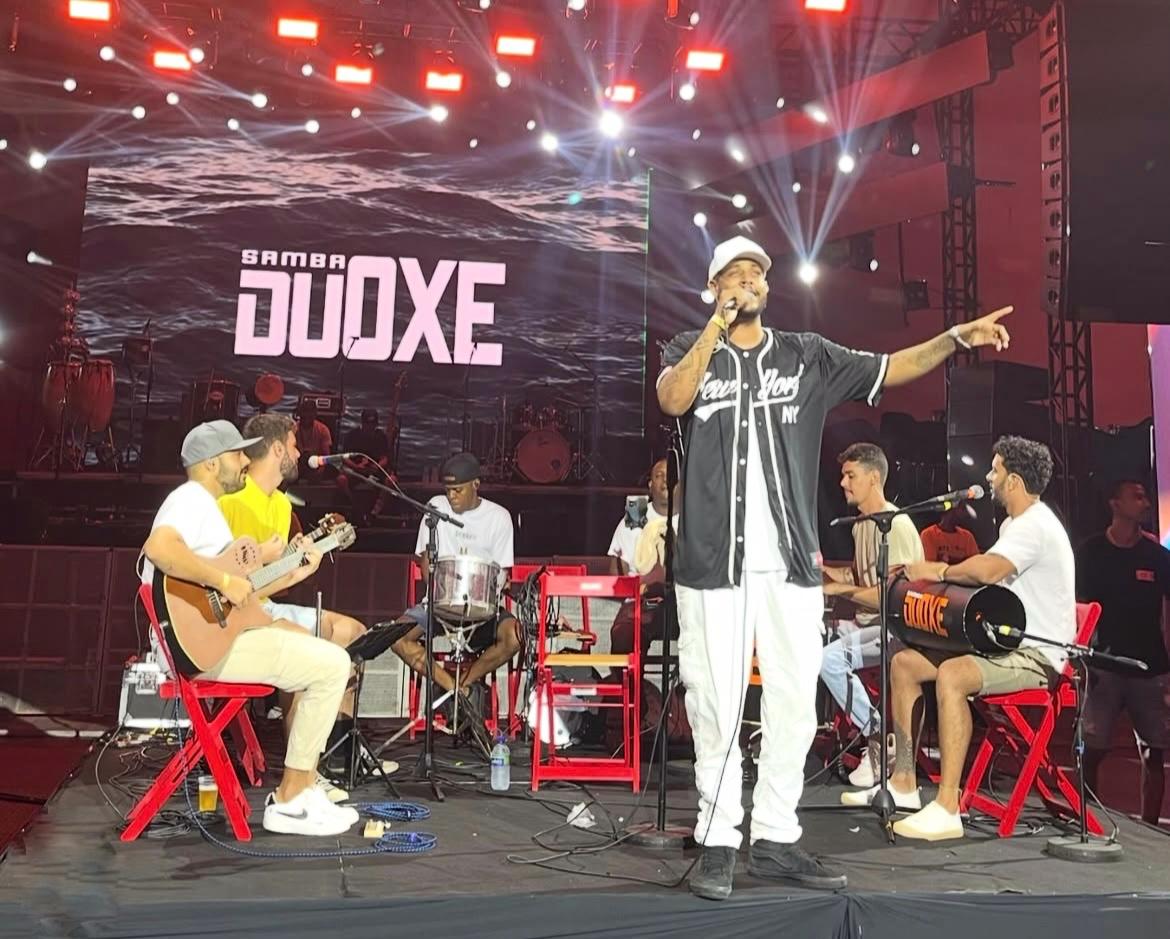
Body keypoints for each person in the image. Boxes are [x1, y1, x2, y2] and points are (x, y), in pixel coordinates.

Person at [656, 234, 1012, 899]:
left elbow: (890, 366)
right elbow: (673, 400)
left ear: (769, 287)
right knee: (715, 702)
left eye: (756, 273)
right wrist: (714, 327)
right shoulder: (688, 348)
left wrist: (953, 339)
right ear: (713, 289)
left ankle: (774, 837)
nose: (747, 281)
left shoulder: (806, 355)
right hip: (711, 561)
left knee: (794, 702)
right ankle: (717, 839)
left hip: (790, 562)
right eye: (733, 274)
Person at [139, 421, 358, 837]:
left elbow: (237, 594)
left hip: (216, 639)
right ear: (211, 463)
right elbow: (159, 548)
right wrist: (225, 581)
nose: (245, 460)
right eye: (237, 454)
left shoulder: (206, 509)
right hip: (201, 649)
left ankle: (303, 788)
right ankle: (292, 798)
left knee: (318, 653)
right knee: (332, 664)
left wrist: (294, 572)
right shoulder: (190, 499)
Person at [858, 437, 1076, 842]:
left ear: (1013, 481)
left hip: (1036, 655)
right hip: (1005, 647)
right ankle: (903, 781)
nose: (989, 478)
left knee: (953, 675)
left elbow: (987, 571)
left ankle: (947, 807)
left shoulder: (1036, 525)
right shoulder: (1014, 525)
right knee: (904, 664)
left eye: (995, 470)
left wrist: (937, 571)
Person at [218, 413, 369, 785]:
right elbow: (229, 587)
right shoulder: (230, 501)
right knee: (312, 653)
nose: (300, 453)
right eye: (293, 445)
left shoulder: (282, 506)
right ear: (276, 449)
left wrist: (299, 566)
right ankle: (302, 776)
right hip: (232, 618)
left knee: (351, 632)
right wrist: (284, 570)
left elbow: (267, 582)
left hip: (263, 604)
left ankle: (334, 757)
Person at [389, 452, 520, 749]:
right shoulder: (434, 509)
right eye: (448, 490)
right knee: (396, 637)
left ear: (476, 484)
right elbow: (425, 559)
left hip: (483, 607)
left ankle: (466, 682)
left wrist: (488, 591)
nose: (452, 496)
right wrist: (437, 586)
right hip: (439, 603)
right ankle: (456, 689)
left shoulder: (498, 517)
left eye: (458, 490)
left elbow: (503, 573)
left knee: (514, 637)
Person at [819, 442, 924, 788]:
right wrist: (821, 573)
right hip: (869, 625)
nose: (843, 483)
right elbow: (859, 577)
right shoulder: (861, 524)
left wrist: (838, 589)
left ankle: (878, 736)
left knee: (829, 660)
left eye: (850, 475)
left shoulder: (896, 525)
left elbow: (892, 597)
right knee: (809, 639)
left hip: (898, 630)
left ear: (874, 478)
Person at [1076, 479, 1170, 826]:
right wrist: (1079, 655)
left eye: (1146, 497)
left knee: (1154, 751)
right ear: (1115, 504)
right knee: (1091, 749)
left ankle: (1150, 826)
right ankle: (1087, 819)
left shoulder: (1157, 556)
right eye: (1137, 496)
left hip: (1149, 667)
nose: (1145, 503)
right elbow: (1078, 606)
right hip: (1103, 667)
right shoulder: (1091, 552)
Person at [335, 409, 392, 524]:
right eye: (367, 424)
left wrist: (377, 466)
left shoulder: (381, 436)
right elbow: (344, 457)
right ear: (362, 423)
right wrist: (356, 467)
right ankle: (354, 505)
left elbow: (385, 458)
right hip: (356, 470)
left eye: (373, 424)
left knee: (391, 480)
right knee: (341, 480)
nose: (370, 427)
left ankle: (375, 511)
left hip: (374, 470)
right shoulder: (352, 436)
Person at [296, 400, 332, 477]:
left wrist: (321, 470)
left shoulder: (323, 429)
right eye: (304, 414)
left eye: (309, 414)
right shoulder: (293, 429)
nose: (306, 417)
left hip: (316, 463)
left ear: (314, 415)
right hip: (298, 463)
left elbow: (326, 455)